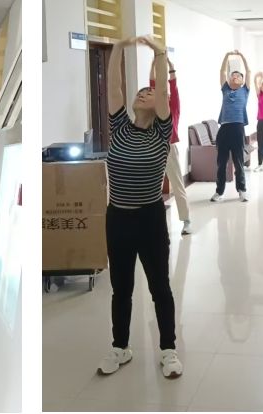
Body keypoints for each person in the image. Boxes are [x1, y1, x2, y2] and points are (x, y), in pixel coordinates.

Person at [97, 35, 182, 379]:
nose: (142, 94)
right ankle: (121, 347)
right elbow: (114, 85)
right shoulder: (119, 127)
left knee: (160, 287)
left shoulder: (161, 132)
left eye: (149, 93)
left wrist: (159, 53)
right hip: (117, 218)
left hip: (150, 219)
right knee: (122, 289)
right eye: (139, 92)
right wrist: (119, 47)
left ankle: (169, 350)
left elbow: (162, 92)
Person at [151, 59, 190, 235]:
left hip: (169, 148)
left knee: (177, 184)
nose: (164, 95)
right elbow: (152, 83)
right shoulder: (154, 108)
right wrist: (154, 63)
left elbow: (173, 88)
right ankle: (153, 222)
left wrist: (171, 67)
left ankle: (186, 220)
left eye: (166, 94)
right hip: (153, 148)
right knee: (152, 187)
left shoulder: (174, 107)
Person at [213, 50, 251, 203]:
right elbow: (222, 71)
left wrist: (242, 57)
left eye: (238, 76)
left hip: (238, 129)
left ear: (242, 81)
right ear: (229, 80)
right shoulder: (225, 90)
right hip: (224, 129)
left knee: (239, 162)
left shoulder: (245, 91)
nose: (235, 76)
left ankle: (242, 191)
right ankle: (219, 192)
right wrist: (226, 56)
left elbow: (248, 71)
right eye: (233, 75)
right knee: (221, 163)